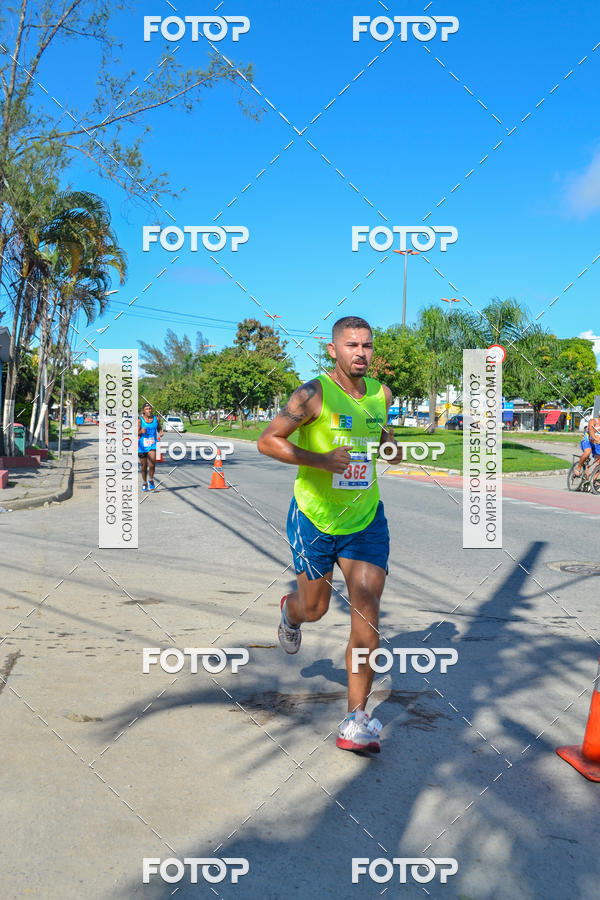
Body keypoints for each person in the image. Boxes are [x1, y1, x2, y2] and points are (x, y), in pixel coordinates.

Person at [257, 316, 402, 754]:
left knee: (367, 608)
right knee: (314, 608)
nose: (361, 352)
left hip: (364, 522)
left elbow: (378, 430)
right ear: (334, 350)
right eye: (352, 345)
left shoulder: (381, 394)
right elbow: (268, 441)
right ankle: (291, 611)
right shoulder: (312, 393)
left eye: (368, 345)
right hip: (315, 519)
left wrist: (388, 445)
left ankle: (357, 719)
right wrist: (320, 460)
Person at [138, 402, 163, 492]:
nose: (149, 410)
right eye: (147, 409)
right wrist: (141, 431)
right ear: (143, 411)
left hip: (153, 444)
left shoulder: (156, 418)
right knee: (144, 466)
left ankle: (151, 480)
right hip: (142, 446)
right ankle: (144, 482)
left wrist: (160, 432)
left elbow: (159, 428)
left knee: (152, 464)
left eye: (150, 409)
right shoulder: (140, 420)